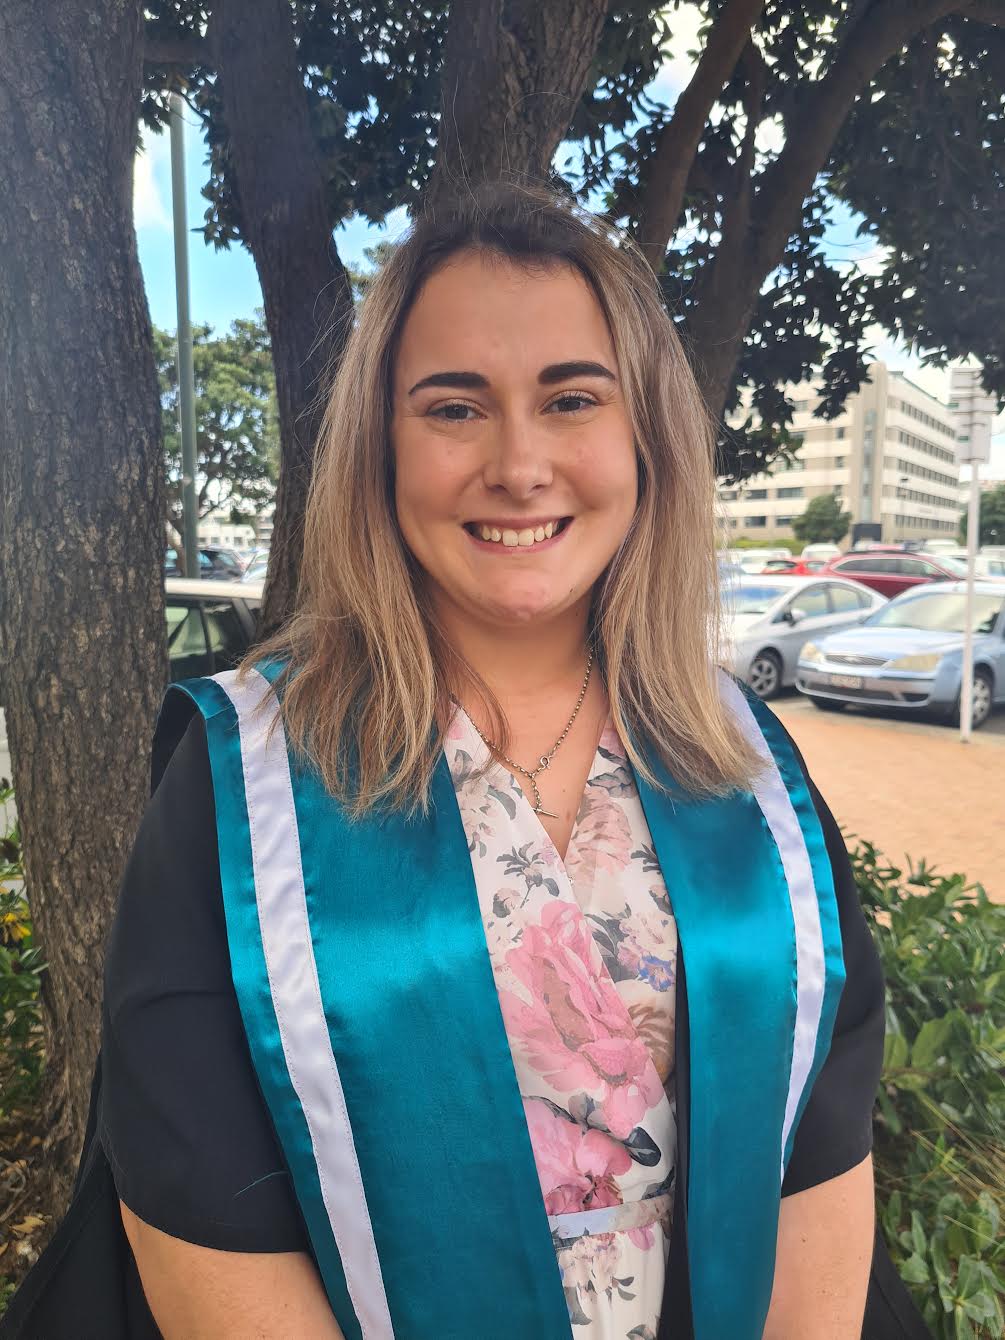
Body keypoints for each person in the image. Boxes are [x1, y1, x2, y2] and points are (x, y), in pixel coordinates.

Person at [2, 181, 930, 1340]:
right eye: (455, 408)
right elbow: (200, 1216)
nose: (520, 463)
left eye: (571, 398)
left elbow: (819, 1158)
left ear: (642, 438)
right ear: (379, 451)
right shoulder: (245, 787)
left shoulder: (743, 764)